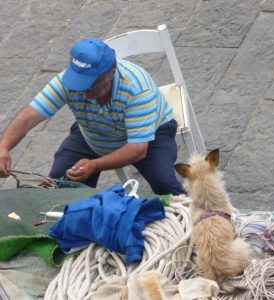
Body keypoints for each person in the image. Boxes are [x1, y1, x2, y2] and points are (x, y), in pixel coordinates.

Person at [0, 38, 184, 195]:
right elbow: (31, 114)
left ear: (111, 73)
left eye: (90, 85)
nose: (83, 91)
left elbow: (137, 149)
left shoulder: (137, 90)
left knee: (164, 184)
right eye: (78, 83)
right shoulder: (70, 81)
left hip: (150, 136)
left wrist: (95, 165)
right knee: (61, 188)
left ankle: (201, 218)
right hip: (92, 133)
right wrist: (4, 147)